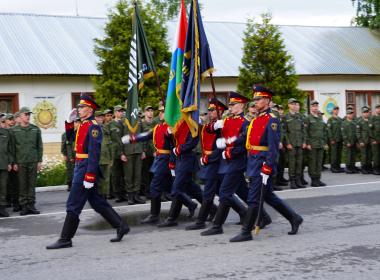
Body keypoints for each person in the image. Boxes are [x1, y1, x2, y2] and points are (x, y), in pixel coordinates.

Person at [46, 94, 129, 249]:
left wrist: (90, 175)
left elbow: (94, 153)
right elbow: (71, 140)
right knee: (97, 202)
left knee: (73, 204)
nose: (79, 109)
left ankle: (65, 238)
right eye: (79, 107)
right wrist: (69, 123)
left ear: (89, 109)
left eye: (82, 107)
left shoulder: (93, 127)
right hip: (81, 165)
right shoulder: (83, 125)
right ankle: (121, 226)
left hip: (85, 168)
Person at [230, 85, 303, 242]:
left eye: (259, 99)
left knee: (253, 199)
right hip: (254, 162)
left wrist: (268, 166)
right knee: (268, 196)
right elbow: (246, 138)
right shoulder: (256, 119)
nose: (255, 101)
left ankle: (246, 231)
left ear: (267, 100)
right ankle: (294, 218)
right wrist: (228, 141)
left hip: (263, 164)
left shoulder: (272, 120)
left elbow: (273, 146)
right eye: (255, 99)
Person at [201, 92, 251, 236]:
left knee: (224, 193)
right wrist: (215, 125)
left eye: (233, 104)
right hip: (225, 162)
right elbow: (210, 130)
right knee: (243, 192)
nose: (230, 107)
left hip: (236, 162)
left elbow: (244, 144)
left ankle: (218, 226)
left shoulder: (245, 123)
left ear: (241, 105)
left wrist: (230, 152)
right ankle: (263, 217)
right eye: (229, 104)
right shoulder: (227, 120)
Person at [186, 98, 227, 230]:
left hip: (216, 162)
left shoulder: (222, 124)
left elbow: (220, 147)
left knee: (209, 192)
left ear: (220, 110)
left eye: (212, 110)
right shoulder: (214, 124)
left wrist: (208, 158)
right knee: (224, 193)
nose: (209, 112)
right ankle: (244, 213)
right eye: (209, 110)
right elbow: (208, 130)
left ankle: (200, 221)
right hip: (211, 161)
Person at [9, 107, 43, 215]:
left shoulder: (35, 129)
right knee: (22, 185)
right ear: (20, 116)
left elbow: (39, 146)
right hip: (20, 161)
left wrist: (39, 161)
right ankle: (24, 206)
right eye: (26, 114)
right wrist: (13, 162)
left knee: (31, 184)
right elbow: (12, 148)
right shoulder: (14, 130)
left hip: (33, 160)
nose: (28, 116)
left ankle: (31, 205)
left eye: (29, 114)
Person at [284, 98, 307, 189]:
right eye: (292, 104)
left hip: (300, 143)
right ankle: (292, 181)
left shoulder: (300, 116)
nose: (294, 105)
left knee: (299, 163)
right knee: (292, 164)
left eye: (295, 104)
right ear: (289, 105)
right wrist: (288, 143)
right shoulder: (286, 117)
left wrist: (304, 141)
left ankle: (298, 180)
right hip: (292, 144)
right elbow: (284, 132)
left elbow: (303, 130)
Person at [305, 101, 328, 187]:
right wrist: (308, 143)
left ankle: (318, 178)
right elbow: (305, 132)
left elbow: (324, 131)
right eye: (313, 106)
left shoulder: (320, 118)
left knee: (319, 163)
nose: (315, 108)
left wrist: (325, 143)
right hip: (312, 144)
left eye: (316, 106)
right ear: (310, 107)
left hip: (320, 144)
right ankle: (313, 180)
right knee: (313, 163)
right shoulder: (308, 118)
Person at [140, 105, 158, 198]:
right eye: (148, 111)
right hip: (146, 151)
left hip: (154, 152)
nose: (150, 112)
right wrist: (142, 151)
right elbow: (141, 138)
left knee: (153, 173)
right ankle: (146, 191)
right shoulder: (142, 124)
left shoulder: (155, 124)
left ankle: (152, 190)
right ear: (144, 113)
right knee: (145, 173)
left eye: (151, 111)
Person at [109, 105, 126, 202]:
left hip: (124, 152)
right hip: (115, 153)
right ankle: (117, 194)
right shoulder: (110, 124)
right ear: (115, 113)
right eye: (119, 111)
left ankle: (123, 193)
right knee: (116, 175)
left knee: (124, 175)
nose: (121, 113)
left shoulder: (124, 123)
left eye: (122, 111)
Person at [95, 111, 113, 198]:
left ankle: (105, 196)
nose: (100, 119)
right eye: (98, 117)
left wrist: (111, 158)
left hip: (106, 158)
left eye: (101, 117)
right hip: (96, 159)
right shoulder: (92, 129)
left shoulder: (105, 128)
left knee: (106, 179)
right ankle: (97, 197)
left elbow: (110, 144)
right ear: (95, 118)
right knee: (97, 180)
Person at [61, 117, 80, 192]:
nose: (76, 124)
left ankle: (77, 185)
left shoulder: (80, 133)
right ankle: (70, 184)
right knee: (70, 171)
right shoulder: (65, 134)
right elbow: (63, 146)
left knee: (78, 171)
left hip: (78, 155)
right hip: (69, 156)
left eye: (78, 122)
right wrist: (64, 154)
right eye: (75, 122)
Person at [0, 113, 12, 217]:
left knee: (3, 187)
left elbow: (9, 149)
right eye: (2, 121)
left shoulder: (6, 132)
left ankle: (2, 208)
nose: (3, 122)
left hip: (3, 163)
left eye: (3, 121)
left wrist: (9, 162)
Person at [327, 106, 344, 173]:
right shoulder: (330, 119)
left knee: (339, 154)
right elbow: (329, 130)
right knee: (334, 154)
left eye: (337, 110)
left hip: (340, 139)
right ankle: (333, 167)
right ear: (333, 111)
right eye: (335, 110)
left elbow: (342, 130)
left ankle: (338, 167)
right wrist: (331, 139)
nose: (336, 111)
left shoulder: (340, 119)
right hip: (334, 140)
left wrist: (343, 139)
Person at [356, 106, 372, 174]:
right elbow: (358, 132)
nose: (366, 114)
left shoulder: (370, 121)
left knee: (369, 155)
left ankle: (368, 168)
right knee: (364, 156)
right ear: (362, 113)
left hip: (370, 141)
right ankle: (363, 168)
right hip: (363, 141)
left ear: (369, 113)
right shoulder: (360, 122)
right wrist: (360, 141)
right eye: (364, 112)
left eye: (367, 112)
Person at [342, 109, 358, 174]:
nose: (351, 115)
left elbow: (356, 133)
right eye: (349, 114)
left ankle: (352, 167)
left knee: (353, 155)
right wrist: (347, 142)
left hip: (354, 141)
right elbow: (343, 134)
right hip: (348, 142)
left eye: (351, 114)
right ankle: (348, 168)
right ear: (347, 115)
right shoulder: (344, 123)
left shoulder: (354, 123)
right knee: (348, 155)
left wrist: (357, 142)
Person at [370, 104, 380, 175]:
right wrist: (373, 139)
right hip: (375, 140)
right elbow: (370, 130)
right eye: (377, 108)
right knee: (376, 155)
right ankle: (375, 169)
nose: (379, 109)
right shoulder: (372, 118)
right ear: (375, 109)